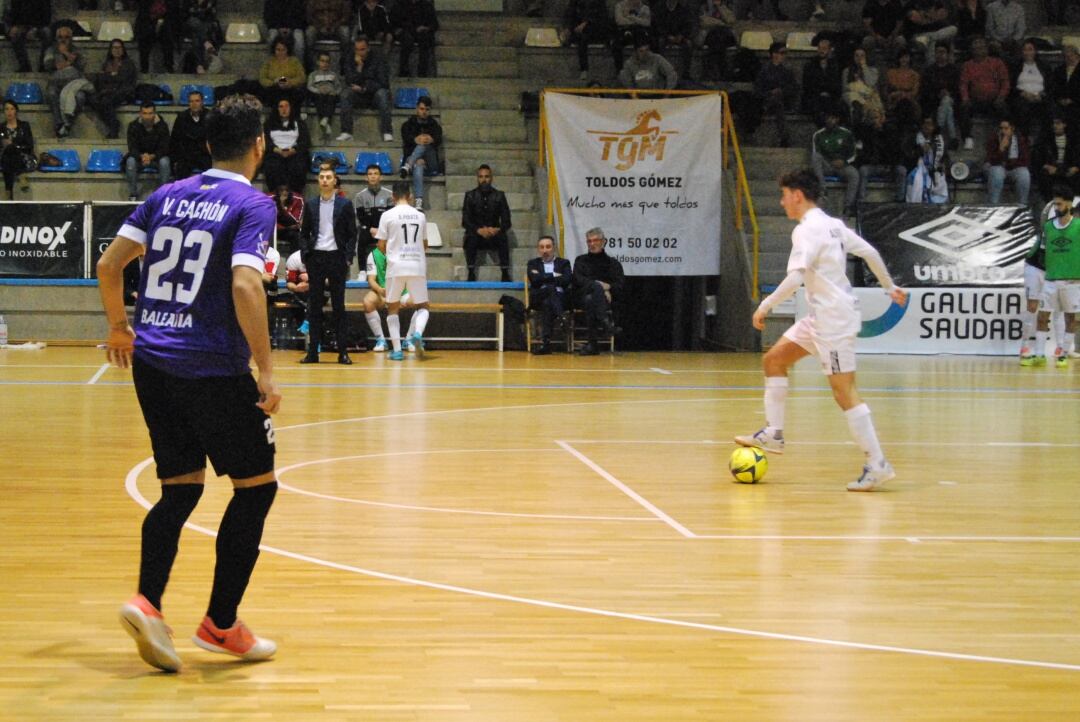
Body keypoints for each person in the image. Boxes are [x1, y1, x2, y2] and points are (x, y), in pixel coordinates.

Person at [98, 93, 281, 672]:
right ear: (259, 145)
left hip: (152, 364)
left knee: (179, 489)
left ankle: (147, 602)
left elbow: (109, 266)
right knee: (256, 488)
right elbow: (247, 287)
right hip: (211, 369)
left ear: (206, 145)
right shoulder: (252, 204)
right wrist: (268, 370)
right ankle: (220, 625)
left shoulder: (165, 194)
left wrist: (119, 328)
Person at [735, 168, 908, 492]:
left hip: (834, 320)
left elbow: (796, 277)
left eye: (784, 194)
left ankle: (877, 464)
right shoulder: (834, 225)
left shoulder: (807, 231)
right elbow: (869, 252)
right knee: (774, 361)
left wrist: (765, 305)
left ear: (797, 195)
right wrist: (889, 286)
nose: (782, 201)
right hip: (820, 317)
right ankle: (774, 433)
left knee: (845, 392)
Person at [299, 166, 357, 364]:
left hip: (336, 258)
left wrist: (348, 257)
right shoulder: (311, 204)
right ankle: (313, 352)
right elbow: (304, 232)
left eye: (328, 177)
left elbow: (352, 234)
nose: (324, 180)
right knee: (314, 306)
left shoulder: (345, 204)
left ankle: (343, 352)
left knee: (338, 306)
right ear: (318, 181)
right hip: (316, 258)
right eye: (322, 177)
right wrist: (306, 254)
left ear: (335, 181)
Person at [376, 180, 431, 361]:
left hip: (396, 266)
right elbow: (425, 245)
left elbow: (381, 245)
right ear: (410, 196)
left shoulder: (387, 215)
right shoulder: (420, 215)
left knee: (392, 308)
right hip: (416, 265)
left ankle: (397, 350)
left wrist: (393, 252)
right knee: (423, 306)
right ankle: (417, 333)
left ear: (392, 197)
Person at [1032, 187, 1080, 368]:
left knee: (1070, 319)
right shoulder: (1048, 227)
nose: (1057, 207)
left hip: (1072, 280)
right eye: (1055, 204)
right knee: (1042, 317)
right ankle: (1039, 354)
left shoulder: (1079, 226)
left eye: (1059, 203)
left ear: (1069, 204)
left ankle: (1064, 354)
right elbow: (1042, 253)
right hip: (1051, 280)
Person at [572, 227, 625, 356]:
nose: (592, 244)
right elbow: (579, 281)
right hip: (581, 298)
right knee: (592, 293)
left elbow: (620, 285)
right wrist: (601, 288)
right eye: (589, 241)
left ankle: (593, 344)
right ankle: (605, 323)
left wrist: (607, 289)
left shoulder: (613, 263)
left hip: (604, 301)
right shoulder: (580, 260)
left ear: (603, 242)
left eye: (595, 240)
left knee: (591, 299)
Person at [362, 236, 416, 352]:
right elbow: (371, 280)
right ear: (378, 242)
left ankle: (409, 340)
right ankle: (381, 340)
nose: (387, 243)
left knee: (420, 302)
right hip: (382, 293)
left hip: (401, 293)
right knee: (367, 302)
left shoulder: (400, 253)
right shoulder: (373, 255)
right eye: (384, 240)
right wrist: (381, 290)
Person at [462, 164, 513, 282]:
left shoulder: (499, 195)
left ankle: (505, 272)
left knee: (503, 236)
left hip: (494, 235)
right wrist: (478, 230)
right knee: (470, 236)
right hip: (477, 235)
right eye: (481, 177)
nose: (484, 180)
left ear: (491, 178)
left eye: (486, 177)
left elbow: (507, 220)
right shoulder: (470, 195)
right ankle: (471, 272)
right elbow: (465, 220)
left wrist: (497, 229)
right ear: (477, 178)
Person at [337, 36, 393, 143]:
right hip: (358, 95)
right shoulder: (350, 59)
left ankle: (387, 132)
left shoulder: (378, 59)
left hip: (374, 95)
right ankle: (347, 132)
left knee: (383, 94)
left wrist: (364, 88)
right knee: (345, 94)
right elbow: (349, 80)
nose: (359, 52)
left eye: (362, 49)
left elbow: (384, 83)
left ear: (368, 48)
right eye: (357, 49)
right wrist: (359, 67)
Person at [959, 36, 1009, 150]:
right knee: (963, 108)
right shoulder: (967, 65)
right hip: (975, 100)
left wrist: (1001, 97)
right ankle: (968, 138)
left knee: (1004, 109)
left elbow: (1005, 82)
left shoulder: (997, 63)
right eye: (976, 46)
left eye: (981, 46)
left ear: (987, 49)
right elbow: (963, 84)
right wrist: (965, 98)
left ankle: (1004, 137)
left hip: (994, 100)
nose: (978, 48)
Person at [527, 235, 572, 355]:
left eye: (548, 247)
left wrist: (542, 277)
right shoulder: (533, 263)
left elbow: (566, 280)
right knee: (550, 288)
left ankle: (546, 344)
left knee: (548, 303)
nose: (545, 250)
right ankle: (562, 317)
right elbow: (534, 280)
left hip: (560, 298)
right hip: (538, 297)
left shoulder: (564, 263)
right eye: (542, 247)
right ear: (538, 249)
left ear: (554, 248)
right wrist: (554, 275)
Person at [44, 25, 91, 138]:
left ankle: (67, 123)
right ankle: (59, 123)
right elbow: (48, 65)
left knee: (80, 97)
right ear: (56, 38)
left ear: (71, 38)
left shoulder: (77, 50)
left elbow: (81, 65)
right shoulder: (51, 50)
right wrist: (70, 61)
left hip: (73, 85)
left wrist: (65, 53)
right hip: (55, 84)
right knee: (51, 93)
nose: (63, 40)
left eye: (66, 37)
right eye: (60, 37)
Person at [811, 107, 859, 216]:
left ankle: (848, 206)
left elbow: (853, 153)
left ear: (837, 119)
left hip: (842, 165)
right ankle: (823, 191)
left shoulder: (846, 134)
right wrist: (829, 161)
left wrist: (844, 161)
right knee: (815, 157)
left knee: (854, 174)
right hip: (827, 165)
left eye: (832, 118)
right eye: (828, 118)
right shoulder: (818, 135)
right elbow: (816, 152)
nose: (830, 121)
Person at [399, 95, 443, 211]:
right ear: (417, 108)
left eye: (427, 110)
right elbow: (406, 142)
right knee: (418, 164)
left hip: (431, 162)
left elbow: (439, 139)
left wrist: (431, 139)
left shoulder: (435, 126)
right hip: (416, 162)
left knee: (424, 143)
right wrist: (414, 139)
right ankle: (419, 202)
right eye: (422, 109)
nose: (424, 112)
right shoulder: (407, 125)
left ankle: (407, 166)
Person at [753, 42, 799, 148]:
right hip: (768, 99)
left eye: (785, 53)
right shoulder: (764, 72)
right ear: (774, 54)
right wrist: (770, 92)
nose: (784, 56)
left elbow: (794, 88)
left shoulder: (787, 72)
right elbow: (758, 90)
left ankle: (766, 108)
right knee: (776, 102)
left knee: (777, 102)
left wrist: (781, 91)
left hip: (781, 101)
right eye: (782, 53)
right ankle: (784, 137)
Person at [90, 39, 138, 140]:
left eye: (119, 47)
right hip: (108, 91)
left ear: (123, 49)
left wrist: (108, 76)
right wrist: (111, 76)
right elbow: (100, 79)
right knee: (94, 100)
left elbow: (122, 79)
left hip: (124, 91)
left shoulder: (128, 63)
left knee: (106, 101)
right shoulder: (107, 63)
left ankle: (113, 129)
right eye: (114, 48)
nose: (117, 50)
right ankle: (113, 124)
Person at [263, 98, 311, 194]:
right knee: (272, 167)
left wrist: (293, 150)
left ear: (291, 108)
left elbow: (305, 141)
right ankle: (275, 195)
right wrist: (276, 150)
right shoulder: (268, 124)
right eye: (281, 106)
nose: (284, 109)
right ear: (277, 109)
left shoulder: (300, 123)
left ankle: (295, 195)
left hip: (294, 153)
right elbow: (265, 141)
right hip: (275, 153)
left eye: (286, 106)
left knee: (298, 166)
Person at [126, 101, 171, 202]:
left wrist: (152, 157)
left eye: (150, 113)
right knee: (130, 161)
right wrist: (142, 156)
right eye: (145, 113)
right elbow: (132, 147)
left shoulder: (163, 126)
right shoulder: (133, 126)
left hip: (156, 158)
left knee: (165, 162)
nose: (147, 117)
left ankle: (163, 195)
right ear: (140, 114)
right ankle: (133, 194)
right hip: (140, 159)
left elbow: (164, 148)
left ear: (154, 114)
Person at [353, 163, 393, 269]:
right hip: (368, 229)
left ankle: (390, 269)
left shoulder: (389, 195)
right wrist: (371, 229)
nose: (373, 176)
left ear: (381, 177)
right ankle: (362, 271)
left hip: (384, 229)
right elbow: (361, 216)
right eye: (370, 174)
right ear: (366, 177)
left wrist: (380, 230)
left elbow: (390, 216)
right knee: (361, 238)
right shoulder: (360, 196)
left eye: (376, 173)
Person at [561, 0, 611, 81]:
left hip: (595, 29)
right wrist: (568, 28)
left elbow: (601, 16)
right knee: (578, 37)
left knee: (583, 38)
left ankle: (584, 69)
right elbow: (569, 13)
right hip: (578, 28)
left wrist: (585, 23)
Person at [985, 117, 1030, 204]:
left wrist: (1010, 163)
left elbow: (1025, 160)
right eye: (1001, 128)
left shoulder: (1020, 140)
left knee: (1024, 173)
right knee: (997, 172)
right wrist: (1001, 149)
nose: (1003, 131)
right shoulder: (994, 138)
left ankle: (1022, 206)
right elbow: (991, 160)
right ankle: (993, 205)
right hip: (996, 166)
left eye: (1006, 128)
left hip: (1014, 167)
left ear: (1012, 129)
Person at [1033, 117, 1080, 201]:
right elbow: (1039, 157)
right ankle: (1049, 204)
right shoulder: (1046, 140)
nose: (1055, 126)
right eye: (1054, 124)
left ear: (1064, 125)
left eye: (1058, 123)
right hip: (1053, 168)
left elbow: (1077, 156)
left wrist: (1076, 167)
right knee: (1044, 177)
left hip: (1068, 168)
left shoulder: (1073, 140)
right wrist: (1046, 166)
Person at [801, 37, 844, 126]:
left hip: (830, 96)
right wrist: (820, 92)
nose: (821, 51)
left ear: (829, 50)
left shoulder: (834, 65)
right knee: (818, 106)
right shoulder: (810, 65)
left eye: (824, 48)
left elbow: (836, 84)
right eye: (820, 48)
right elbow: (807, 85)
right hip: (814, 96)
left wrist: (828, 92)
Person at [170, 90, 211, 181]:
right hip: (187, 155)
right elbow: (175, 139)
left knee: (212, 171)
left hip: (204, 154)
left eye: (197, 101)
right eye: (191, 101)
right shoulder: (181, 117)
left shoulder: (210, 117)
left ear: (202, 102)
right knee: (181, 168)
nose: (194, 104)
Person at [390, 0, 439, 77]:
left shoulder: (427, 5)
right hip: (405, 31)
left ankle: (422, 71)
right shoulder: (400, 5)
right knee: (407, 40)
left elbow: (435, 24)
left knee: (425, 40)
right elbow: (394, 22)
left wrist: (426, 28)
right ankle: (404, 70)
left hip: (421, 32)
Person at [259, 38, 308, 114]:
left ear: (287, 50)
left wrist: (290, 82)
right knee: (275, 95)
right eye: (278, 50)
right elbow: (262, 78)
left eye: (283, 50)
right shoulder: (269, 62)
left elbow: (302, 77)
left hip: (291, 90)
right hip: (274, 89)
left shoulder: (294, 61)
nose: (280, 52)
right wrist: (273, 82)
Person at [0, 100, 35, 201]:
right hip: (5, 156)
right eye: (6, 109)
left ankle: (8, 191)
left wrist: (15, 146)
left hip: (23, 156)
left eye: (12, 109)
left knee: (11, 149)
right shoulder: (1, 127)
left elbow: (29, 145)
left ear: (16, 111)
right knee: (8, 152)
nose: (9, 112)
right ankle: (20, 174)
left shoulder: (24, 126)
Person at [6, 0, 52, 73]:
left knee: (47, 32)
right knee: (14, 33)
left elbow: (47, 18)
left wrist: (34, 29)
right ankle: (24, 66)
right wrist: (15, 27)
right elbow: (13, 16)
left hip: (39, 26)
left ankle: (43, 65)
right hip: (22, 26)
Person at [134, 0, 180, 73]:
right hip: (148, 23)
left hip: (165, 24)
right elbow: (143, 12)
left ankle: (169, 67)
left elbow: (173, 14)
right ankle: (144, 69)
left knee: (167, 35)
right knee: (144, 39)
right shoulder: (145, 3)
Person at [307, 51, 343, 142]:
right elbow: (309, 86)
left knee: (331, 99)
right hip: (318, 95)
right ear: (318, 62)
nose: (325, 63)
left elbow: (339, 87)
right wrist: (318, 90)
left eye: (327, 61)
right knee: (319, 100)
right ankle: (326, 123)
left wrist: (334, 92)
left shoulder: (333, 75)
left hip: (331, 95)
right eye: (322, 61)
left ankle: (325, 119)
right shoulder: (313, 74)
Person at [305, 0, 351, 69]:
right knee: (309, 32)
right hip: (318, 26)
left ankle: (345, 63)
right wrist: (320, 26)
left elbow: (346, 15)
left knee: (345, 31)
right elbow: (309, 16)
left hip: (337, 26)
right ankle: (310, 64)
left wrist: (335, 26)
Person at [612, 0, 651, 73]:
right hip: (623, 32)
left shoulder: (644, 8)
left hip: (639, 33)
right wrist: (638, 21)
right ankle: (620, 71)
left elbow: (647, 22)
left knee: (643, 41)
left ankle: (642, 69)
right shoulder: (619, 6)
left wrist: (631, 18)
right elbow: (619, 21)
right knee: (616, 45)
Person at [262, 0, 307, 65]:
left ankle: (298, 67)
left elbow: (302, 17)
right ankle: (271, 66)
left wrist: (291, 29)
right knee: (272, 37)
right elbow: (268, 16)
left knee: (299, 40)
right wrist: (279, 28)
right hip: (275, 28)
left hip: (295, 28)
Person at [271, 184, 305, 255]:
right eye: (281, 190)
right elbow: (268, 220)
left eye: (286, 190)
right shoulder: (269, 198)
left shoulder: (297, 199)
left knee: (297, 236)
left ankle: (293, 260)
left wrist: (282, 207)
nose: (284, 193)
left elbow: (295, 220)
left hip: (289, 230)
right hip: (274, 228)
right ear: (277, 191)